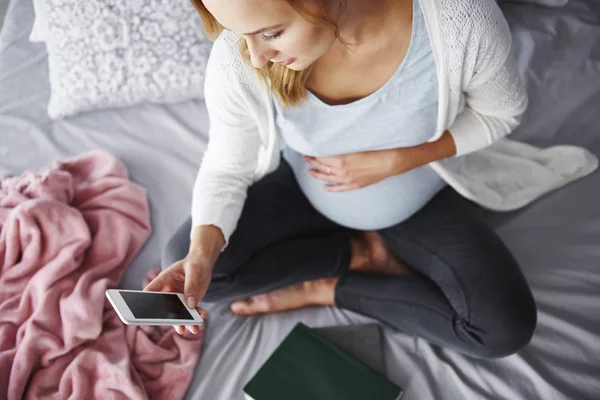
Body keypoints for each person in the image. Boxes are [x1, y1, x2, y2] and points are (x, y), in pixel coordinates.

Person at [145, 0, 538, 358]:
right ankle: (357, 255)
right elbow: (227, 166)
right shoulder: (241, 59)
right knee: (192, 268)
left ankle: (325, 287)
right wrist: (202, 253)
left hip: (418, 197)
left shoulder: (459, 21)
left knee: (501, 328)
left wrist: (398, 161)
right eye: (243, 35)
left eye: (271, 34)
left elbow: (499, 114)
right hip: (306, 188)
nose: (258, 58)